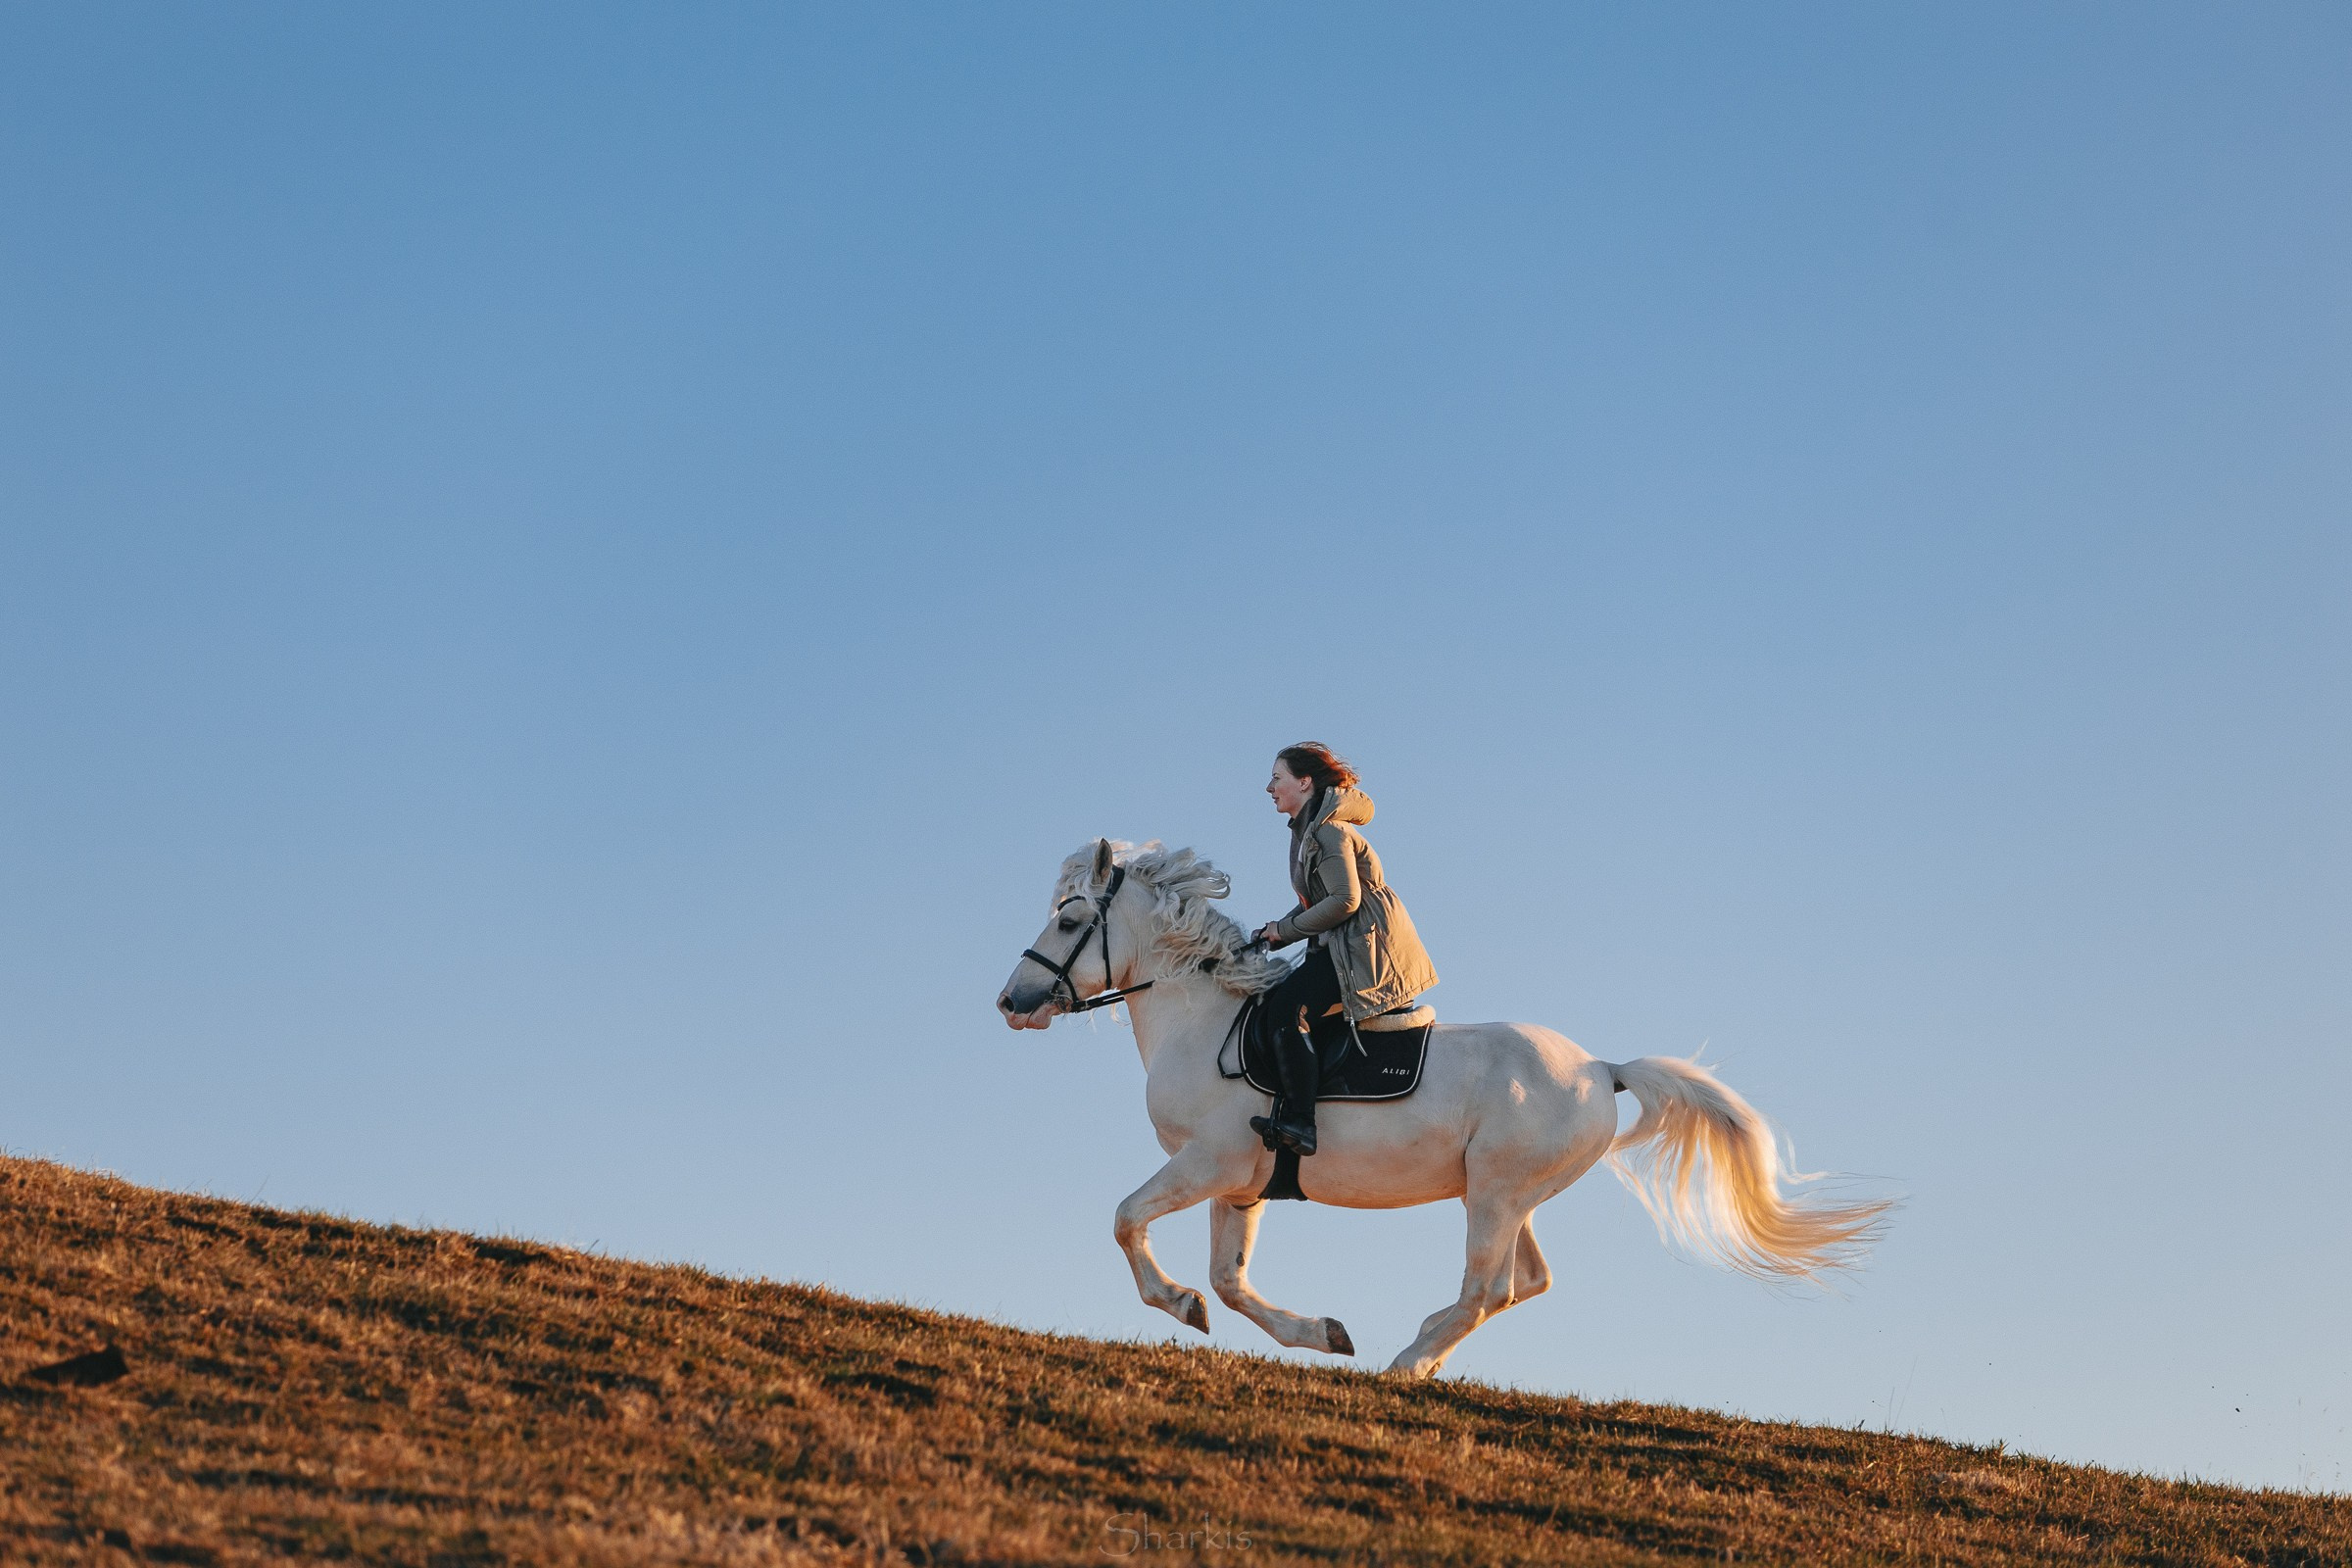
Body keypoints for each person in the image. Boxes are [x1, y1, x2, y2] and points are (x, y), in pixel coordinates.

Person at [1247, 743, 1439, 1156]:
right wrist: (1274, 931)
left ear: (1304, 781)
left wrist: (1288, 930)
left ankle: (1300, 1122)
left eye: (1277, 778)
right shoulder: (1309, 828)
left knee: (1286, 1011)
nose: (1269, 787)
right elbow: (1320, 902)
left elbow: (1344, 901)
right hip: (1342, 948)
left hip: (1361, 955)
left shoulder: (1328, 830)